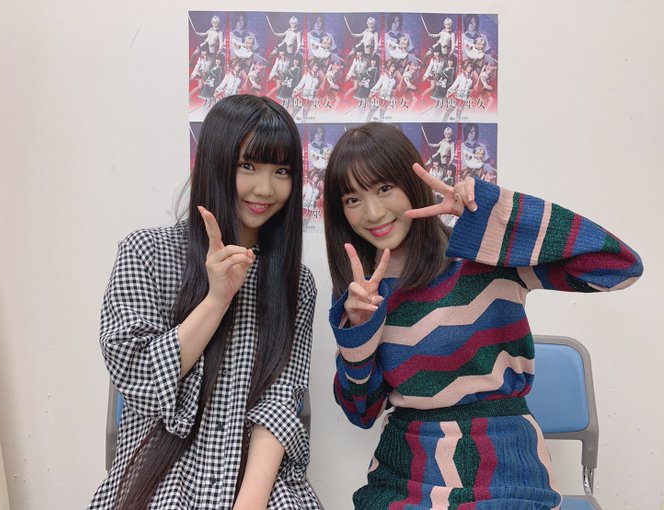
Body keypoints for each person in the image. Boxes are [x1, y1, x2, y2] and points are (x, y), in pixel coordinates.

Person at [322, 122, 642, 509]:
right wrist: (359, 331)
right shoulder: (364, 295)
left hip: (503, 461)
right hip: (405, 469)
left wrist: (497, 213)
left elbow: (617, 267)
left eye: (384, 188)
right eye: (352, 199)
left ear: (413, 183)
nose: (373, 212)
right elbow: (361, 413)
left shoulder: (485, 256)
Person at [90, 95, 320, 510]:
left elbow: (279, 404)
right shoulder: (146, 253)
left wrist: (249, 504)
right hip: (161, 474)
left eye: (281, 171)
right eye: (247, 166)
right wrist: (216, 300)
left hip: (257, 481)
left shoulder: (295, 283)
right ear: (216, 162)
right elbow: (138, 377)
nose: (265, 188)